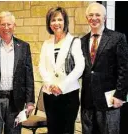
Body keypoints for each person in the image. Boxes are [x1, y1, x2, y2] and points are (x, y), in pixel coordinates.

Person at [81, 2, 128, 134]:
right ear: (87, 18)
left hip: (109, 100)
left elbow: (124, 69)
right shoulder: (81, 41)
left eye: (98, 15)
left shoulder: (117, 38)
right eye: (90, 15)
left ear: (104, 18)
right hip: (87, 101)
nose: (94, 18)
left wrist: (120, 95)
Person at [39, 7, 85, 134]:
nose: (56, 23)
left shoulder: (74, 41)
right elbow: (41, 66)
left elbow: (79, 67)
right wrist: (49, 84)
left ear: (65, 22)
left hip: (69, 93)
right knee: (52, 129)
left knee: (67, 130)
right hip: (49, 93)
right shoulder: (46, 43)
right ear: (49, 23)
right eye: (53, 20)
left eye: (60, 19)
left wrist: (61, 86)